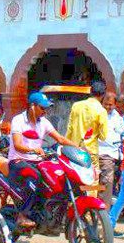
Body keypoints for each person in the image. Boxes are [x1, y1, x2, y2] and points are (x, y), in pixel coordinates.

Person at [7, 91, 77, 229]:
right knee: (35, 177)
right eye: (42, 108)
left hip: (36, 161)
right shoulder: (18, 120)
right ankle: (22, 215)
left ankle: (46, 212)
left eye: (46, 108)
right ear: (32, 106)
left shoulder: (43, 122)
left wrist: (78, 148)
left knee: (56, 176)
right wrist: (33, 150)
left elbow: (60, 138)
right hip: (18, 160)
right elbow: (17, 145)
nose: (45, 111)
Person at [66, 80, 110, 164]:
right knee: (92, 176)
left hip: (73, 150)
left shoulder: (76, 105)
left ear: (90, 91)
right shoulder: (101, 111)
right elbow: (103, 137)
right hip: (90, 152)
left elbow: (69, 129)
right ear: (103, 95)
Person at [98, 90, 124, 207]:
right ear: (102, 102)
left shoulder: (116, 116)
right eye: (106, 104)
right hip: (103, 153)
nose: (108, 107)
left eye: (111, 104)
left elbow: (122, 130)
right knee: (107, 180)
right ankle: (104, 212)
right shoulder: (98, 114)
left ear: (115, 104)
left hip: (116, 153)